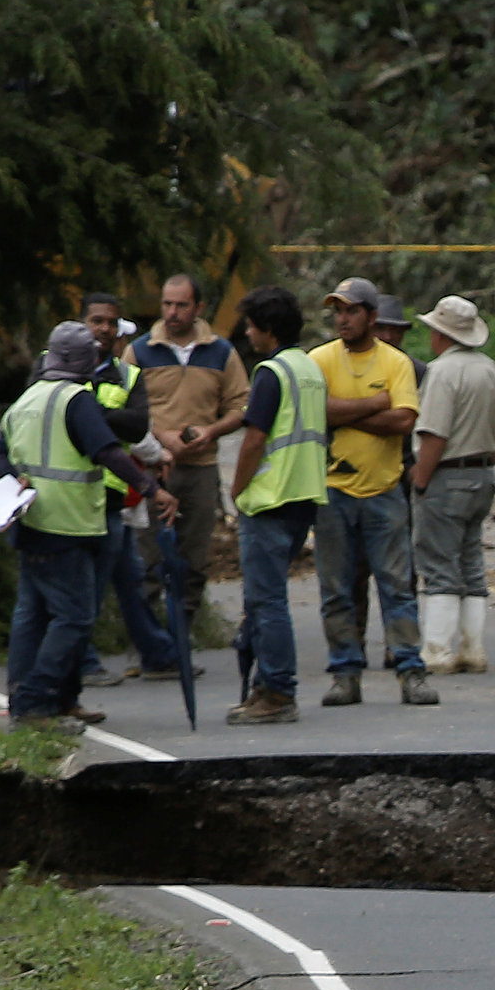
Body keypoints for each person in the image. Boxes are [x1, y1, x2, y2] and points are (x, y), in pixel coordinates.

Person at [0, 322, 177, 729]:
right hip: (68, 524)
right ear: (88, 360)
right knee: (74, 617)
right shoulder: (77, 401)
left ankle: (36, 697)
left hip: (30, 521)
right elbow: (108, 451)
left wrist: (12, 481)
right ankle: (37, 703)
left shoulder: (28, 399)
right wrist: (149, 487)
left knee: (33, 614)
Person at [309, 278, 427, 706]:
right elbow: (315, 412)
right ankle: (345, 672)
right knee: (337, 589)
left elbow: (403, 422)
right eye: (338, 311)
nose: (343, 319)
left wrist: (343, 413)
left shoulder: (396, 363)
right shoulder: (318, 360)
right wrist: (374, 405)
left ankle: (410, 669)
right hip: (332, 491)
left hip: (384, 491)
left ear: (371, 317)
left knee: (397, 585)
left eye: (351, 311)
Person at [221, 284, 330, 726]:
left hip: (270, 498)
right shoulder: (310, 368)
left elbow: (254, 439)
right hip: (304, 496)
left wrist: (237, 489)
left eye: (250, 325)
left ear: (267, 329)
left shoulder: (271, 372)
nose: (247, 334)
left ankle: (278, 691)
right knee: (265, 599)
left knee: (266, 602)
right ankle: (265, 685)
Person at [134, 274, 250, 666]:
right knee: (147, 558)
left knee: (193, 561)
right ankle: (151, 649)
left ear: (199, 308)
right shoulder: (140, 352)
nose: (172, 313)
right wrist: (160, 435)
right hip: (151, 469)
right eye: (167, 304)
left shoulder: (220, 352)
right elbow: (121, 408)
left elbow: (241, 406)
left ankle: (180, 640)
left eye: (181, 305)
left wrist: (212, 430)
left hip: (200, 468)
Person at [409, 294, 495, 687]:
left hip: (447, 475)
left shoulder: (441, 373)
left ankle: (438, 649)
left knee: (438, 563)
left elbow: (434, 434)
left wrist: (420, 479)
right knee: (471, 561)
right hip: (482, 474)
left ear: (440, 335)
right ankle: (473, 647)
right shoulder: (491, 371)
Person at [75, 293, 173, 696]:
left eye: (111, 323)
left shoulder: (127, 375)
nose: (104, 329)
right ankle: (81, 661)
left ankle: (157, 654)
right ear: (81, 323)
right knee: (91, 587)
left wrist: (92, 413)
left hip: (115, 498)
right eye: (96, 321)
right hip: (77, 498)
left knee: (131, 578)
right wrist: (102, 417)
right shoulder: (56, 365)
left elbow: (136, 425)